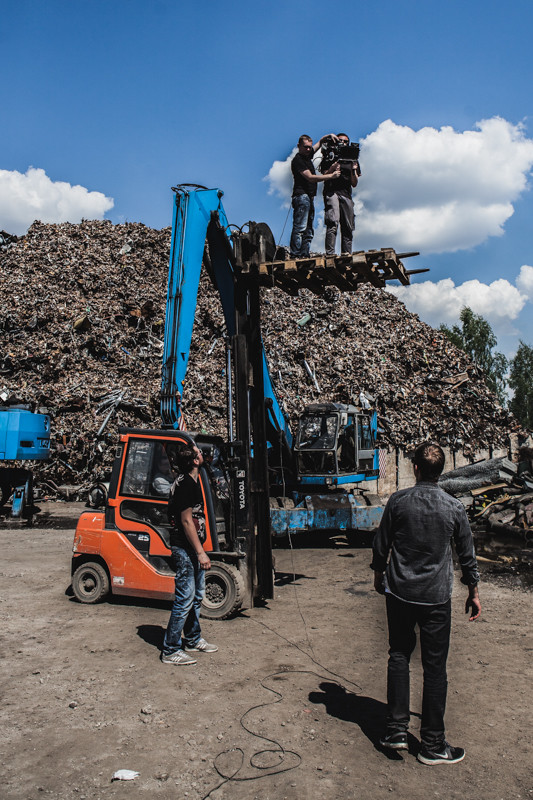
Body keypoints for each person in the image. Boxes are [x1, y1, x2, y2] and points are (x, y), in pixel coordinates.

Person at [371, 441, 481, 765]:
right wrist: (473, 592)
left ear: (416, 469)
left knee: (399, 655)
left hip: (400, 593)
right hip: (435, 599)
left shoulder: (398, 502)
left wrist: (379, 577)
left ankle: (396, 731)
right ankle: (433, 744)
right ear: (440, 471)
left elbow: (381, 545)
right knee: (435, 668)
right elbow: (467, 554)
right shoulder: (454, 507)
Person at [161, 444, 218, 665]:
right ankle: (170, 649)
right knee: (185, 599)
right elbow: (186, 521)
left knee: (195, 597)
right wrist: (201, 552)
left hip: (191, 548)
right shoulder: (186, 485)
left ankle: (193, 638)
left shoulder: (192, 482)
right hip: (185, 549)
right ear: (194, 461)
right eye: (199, 453)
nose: (203, 454)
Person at [290, 134, 341, 258]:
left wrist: (329, 136)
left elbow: (319, 143)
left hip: (309, 198)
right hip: (301, 196)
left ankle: (304, 254)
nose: (308, 149)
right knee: (300, 227)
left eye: (309, 147)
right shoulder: (298, 160)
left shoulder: (308, 156)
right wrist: (331, 176)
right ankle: (295, 254)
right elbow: (310, 178)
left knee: (308, 230)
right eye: (305, 147)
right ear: (299, 146)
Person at [322, 132, 359, 255]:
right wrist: (333, 168)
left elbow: (354, 183)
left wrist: (354, 170)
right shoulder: (329, 155)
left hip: (346, 194)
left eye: (345, 141)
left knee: (348, 226)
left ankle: (346, 253)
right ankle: (330, 253)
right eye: (340, 140)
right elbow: (323, 176)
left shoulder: (352, 158)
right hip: (332, 191)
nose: (343, 143)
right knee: (333, 221)